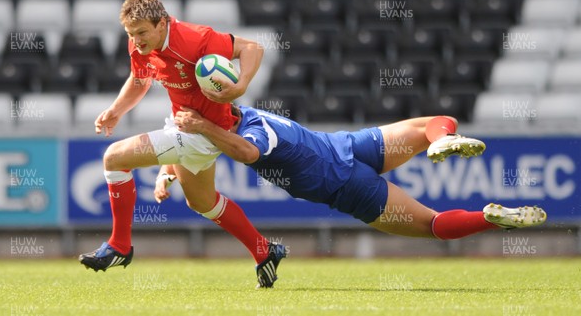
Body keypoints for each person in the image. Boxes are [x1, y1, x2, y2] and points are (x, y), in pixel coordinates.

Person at [157, 105, 546, 283]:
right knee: (434, 122)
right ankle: (444, 140)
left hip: (347, 187)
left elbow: (242, 151)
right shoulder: (245, 113)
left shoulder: (250, 136)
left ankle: (488, 218)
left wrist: (196, 138)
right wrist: (167, 169)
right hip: (353, 146)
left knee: (433, 225)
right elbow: (195, 143)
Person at [78, 0, 286, 289]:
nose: (136, 40)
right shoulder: (140, 43)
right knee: (202, 202)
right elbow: (140, 80)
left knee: (114, 158)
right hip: (186, 126)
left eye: (141, 32)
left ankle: (120, 246)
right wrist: (116, 110)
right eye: (130, 34)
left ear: (162, 23)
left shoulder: (197, 39)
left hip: (203, 131)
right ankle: (264, 250)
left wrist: (238, 87)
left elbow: (253, 47)